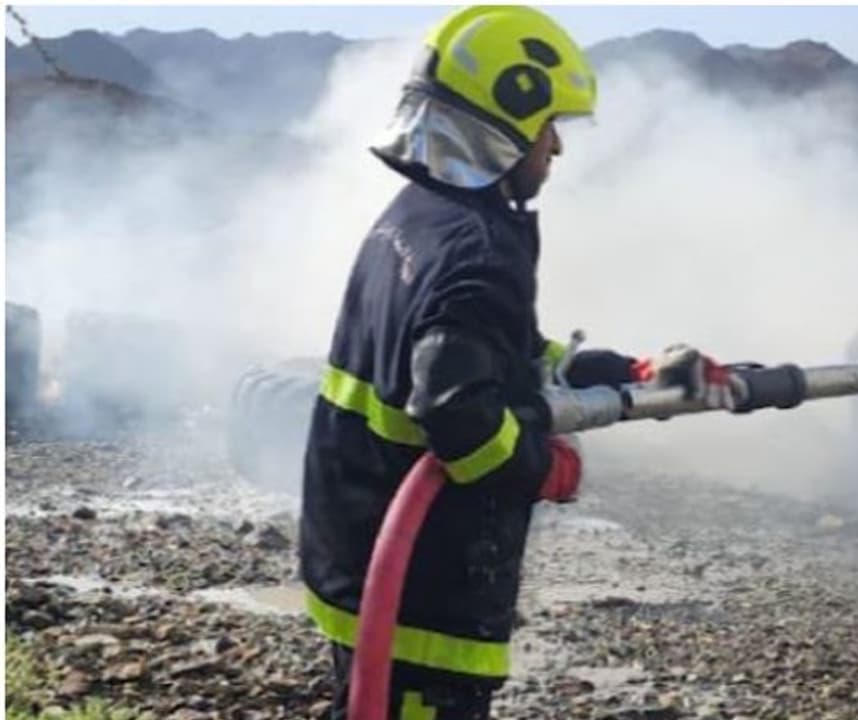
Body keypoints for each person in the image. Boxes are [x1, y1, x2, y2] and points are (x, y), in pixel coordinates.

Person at [298, 6, 732, 719]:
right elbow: (459, 418)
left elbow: (502, 352)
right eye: (547, 125)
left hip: (358, 557)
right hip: (420, 596)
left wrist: (632, 372)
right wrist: (543, 468)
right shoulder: (476, 252)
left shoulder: (420, 215)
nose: (556, 146)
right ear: (501, 125)